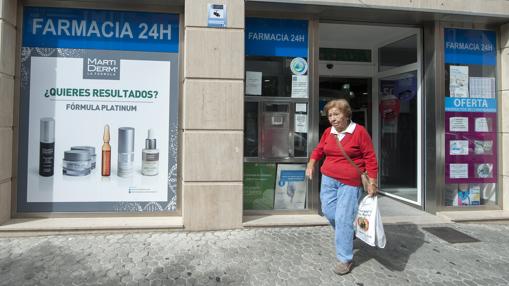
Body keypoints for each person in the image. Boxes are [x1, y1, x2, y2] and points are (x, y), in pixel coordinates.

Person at [306, 99, 378, 275]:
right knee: (329, 211)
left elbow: (370, 157)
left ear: (346, 115)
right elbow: (319, 149)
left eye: (336, 114)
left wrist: (373, 182)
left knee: (343, 218)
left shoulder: (359, 132)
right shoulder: (328, 132)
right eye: (330, 115)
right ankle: (349, 231)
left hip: (350, 182)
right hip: (328, 179)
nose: (332, 118)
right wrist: (311, 163)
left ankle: (345, 259)